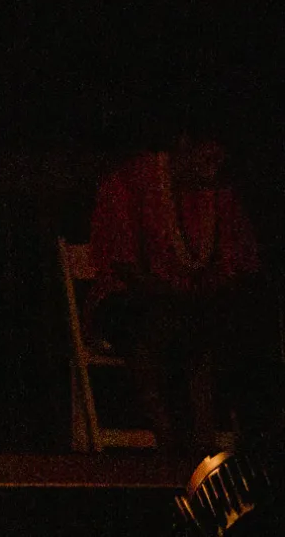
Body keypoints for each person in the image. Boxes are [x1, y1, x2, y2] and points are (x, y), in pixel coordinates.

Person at [88, 125, 271, 451]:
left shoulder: (220, 190)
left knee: (223, 325)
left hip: (194, 306)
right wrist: (172, 295)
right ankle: (171, 445)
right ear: (185, 144)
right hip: (132, 299)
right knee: (156, 324)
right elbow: (122, 264)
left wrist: (203, 294)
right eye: (209, 156)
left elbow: (240, 263)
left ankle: (217, 445)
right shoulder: (129, 183)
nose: (215, 166)